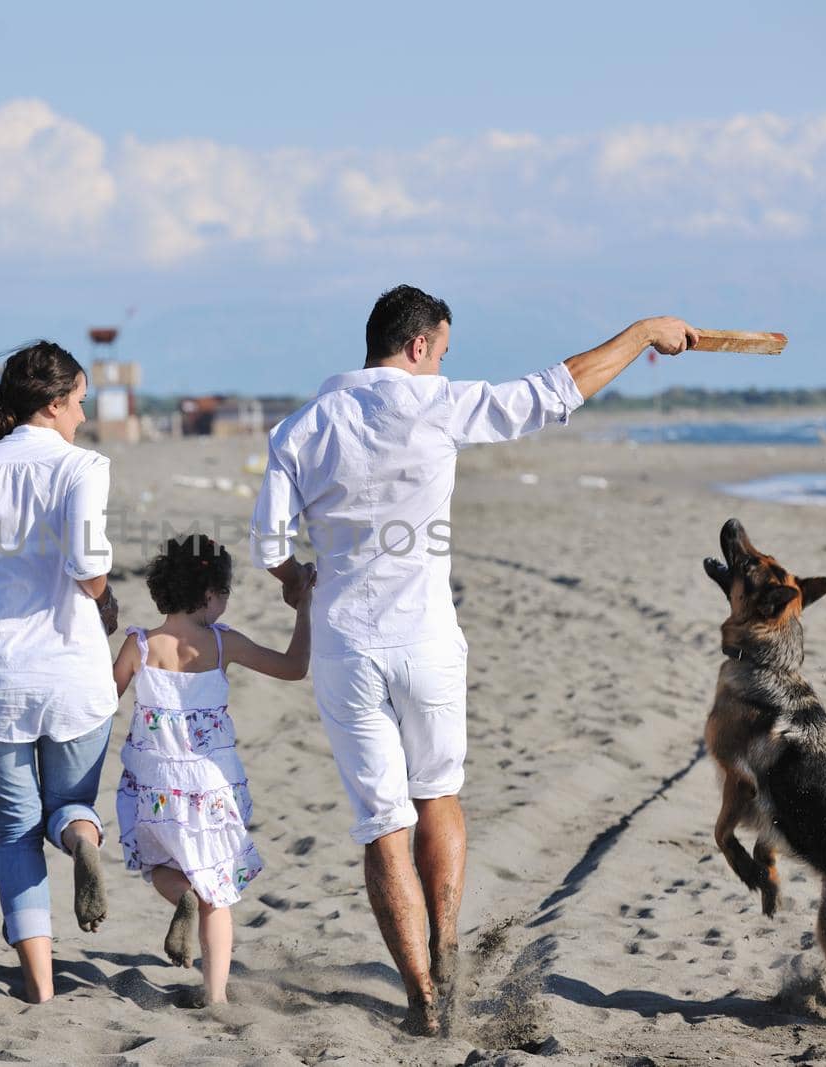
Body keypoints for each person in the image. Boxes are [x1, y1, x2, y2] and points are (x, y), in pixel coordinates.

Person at [249, 285, 698, 1034]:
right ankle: (448, 938)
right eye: (444, 354)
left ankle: (423, 992)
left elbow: (270, 548)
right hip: (425, 638)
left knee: (380, 823)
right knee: (439, 795)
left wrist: (300, 582)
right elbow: (559, 389)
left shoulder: (302, 427)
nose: (443, 366)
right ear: (419, 346)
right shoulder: (436, 405)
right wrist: (646, 331)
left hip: (344, 645)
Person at [0, 340, 120, 1004]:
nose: (83, 417)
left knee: (14, 829)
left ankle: (38, 985)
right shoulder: (82, 467)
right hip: (71, 672)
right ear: (55, 401)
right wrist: (103, 588)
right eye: (80, 403)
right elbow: (91, 568)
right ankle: (78, 837)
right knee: (70, 803)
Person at [112, 533, 313, 1006]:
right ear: (209, 596)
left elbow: (103, 703)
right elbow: (293, 667)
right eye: (225, 594)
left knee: (159, 864)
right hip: (210, 786)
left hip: (155, 782)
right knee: (217, 893)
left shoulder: (140, 646)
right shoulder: (223, 645)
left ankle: (180, 895)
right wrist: (303, 609)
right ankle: (216, 996)